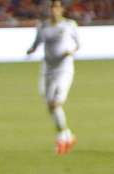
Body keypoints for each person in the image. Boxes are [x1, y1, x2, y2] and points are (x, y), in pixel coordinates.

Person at [26, 0, 80, 155]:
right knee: (50, 105)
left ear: (61, 9)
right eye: (51, 7)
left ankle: (62, 138)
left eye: (56, 7)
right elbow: (36, 44)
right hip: (47, 70)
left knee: (56, 103)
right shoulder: (43, 26)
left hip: (64, 69)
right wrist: (30, 50)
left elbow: (79, 44)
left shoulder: (69, 25)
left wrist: (71, 51)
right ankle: (67, 134)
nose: (53, 10)